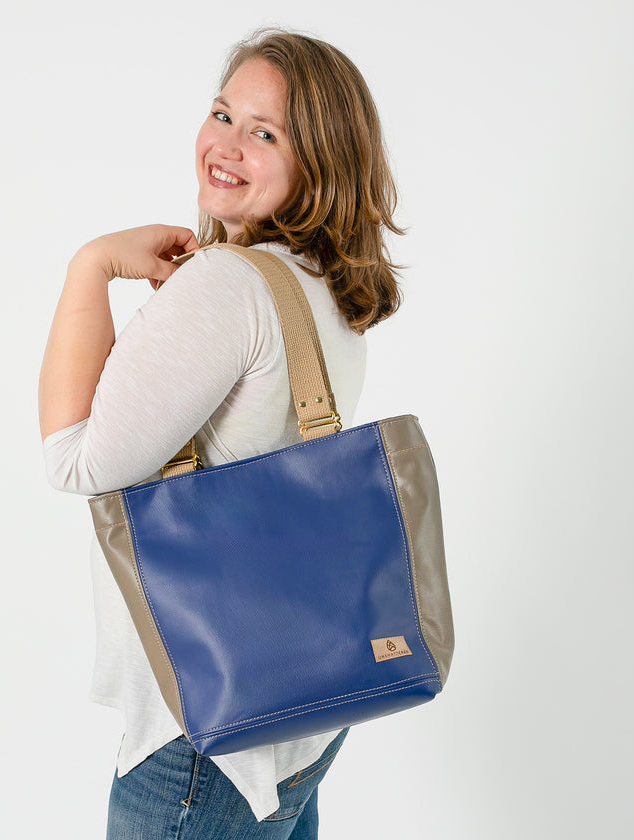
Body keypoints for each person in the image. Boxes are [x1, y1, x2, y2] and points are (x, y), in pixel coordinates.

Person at [39, 28, 403, 840]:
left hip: (203, 730)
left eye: (264, 132)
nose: (226, 145)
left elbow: (76, 459)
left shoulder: (229, 285)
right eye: (221, 112)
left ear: (322, 161)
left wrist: (91, 265)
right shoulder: (328, 293)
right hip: (299, 715)